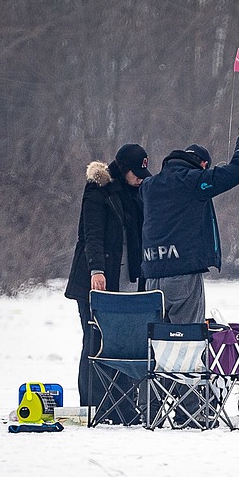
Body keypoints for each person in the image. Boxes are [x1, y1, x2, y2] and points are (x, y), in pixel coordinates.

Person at [64, 143, 150, 415]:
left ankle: (123, 405)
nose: (139, 178)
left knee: (124, 343)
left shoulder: (136, 193)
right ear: (123, 168)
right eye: (135, 173)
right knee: (95, 341)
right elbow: (92, 233)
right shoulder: (98, 188)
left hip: (127, 282)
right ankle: (94, 405)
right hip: (96, 281)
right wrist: (96, 270)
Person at [140, 121, 239, 323]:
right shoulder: (194, 180)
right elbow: (238, 170)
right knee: (187, 342)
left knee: (158, 341)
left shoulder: (149, 185)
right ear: (203, 165)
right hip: (183, 275)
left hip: (152, 276)